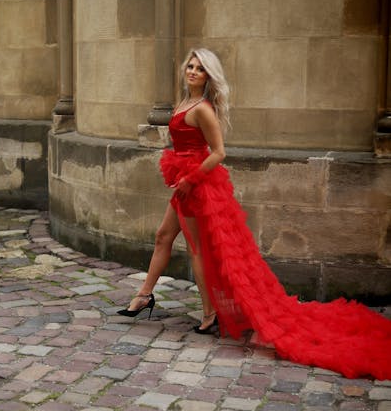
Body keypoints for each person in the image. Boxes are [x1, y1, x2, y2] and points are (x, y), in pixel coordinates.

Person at [118, 48, 391, 380]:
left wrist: (190, 178)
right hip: (185, 182)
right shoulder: (183, 103)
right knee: (163, 236)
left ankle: (208, 315)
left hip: (198, 184)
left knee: (196, 249)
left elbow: (219, 152)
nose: (192, 71)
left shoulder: (203, 108)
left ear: (208, 76)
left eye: (199, 69)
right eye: (189, 66)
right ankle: (144, 296)